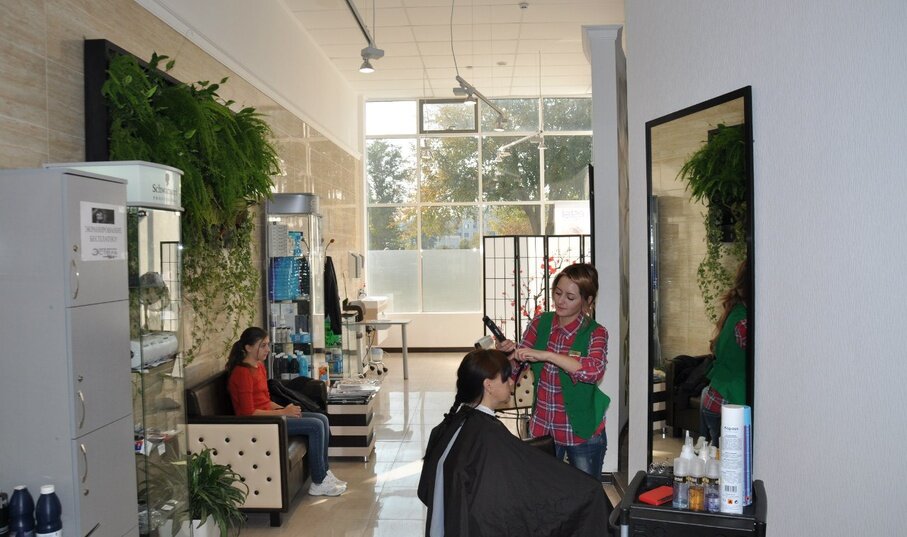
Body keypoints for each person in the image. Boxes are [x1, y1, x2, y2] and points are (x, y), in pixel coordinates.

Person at [418, 349, 609, 537]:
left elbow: (426, 490)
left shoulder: (451, 424)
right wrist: (589, 491)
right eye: (506, 378)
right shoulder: (488, 435)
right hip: (466, 526)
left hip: (446, 524)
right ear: (489, 385)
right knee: (588, 493)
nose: (512, 382)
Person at [496, 262, 610, 478]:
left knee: (585, 492)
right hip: (543, 427)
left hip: (582, 431)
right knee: (543, 490)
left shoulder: (596, 333)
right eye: (558, 293)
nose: (560, 301)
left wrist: (547, 355)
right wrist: (509, 354)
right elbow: (516, 367)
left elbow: (593, 371)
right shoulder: (541, 322)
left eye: (570, 297)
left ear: (587, 301)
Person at [226, 327, 346, 497]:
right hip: (258, 424)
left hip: (271, 418)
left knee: (322, 419)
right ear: (248, 347)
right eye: (263, 345)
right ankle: (319, 482)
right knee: (315, 426)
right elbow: (248, 413)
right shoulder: (242, 373)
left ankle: (324, 474)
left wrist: (285, 409)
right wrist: (283, 412)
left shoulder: (258, 367)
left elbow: (264, 401)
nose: (268, 349)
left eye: (268, 345)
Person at [699, 261, 748, 446]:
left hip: (715, 399)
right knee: (731, 459)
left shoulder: (735, 313)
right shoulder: (744, 324)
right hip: (729, 401)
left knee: (720, 456)